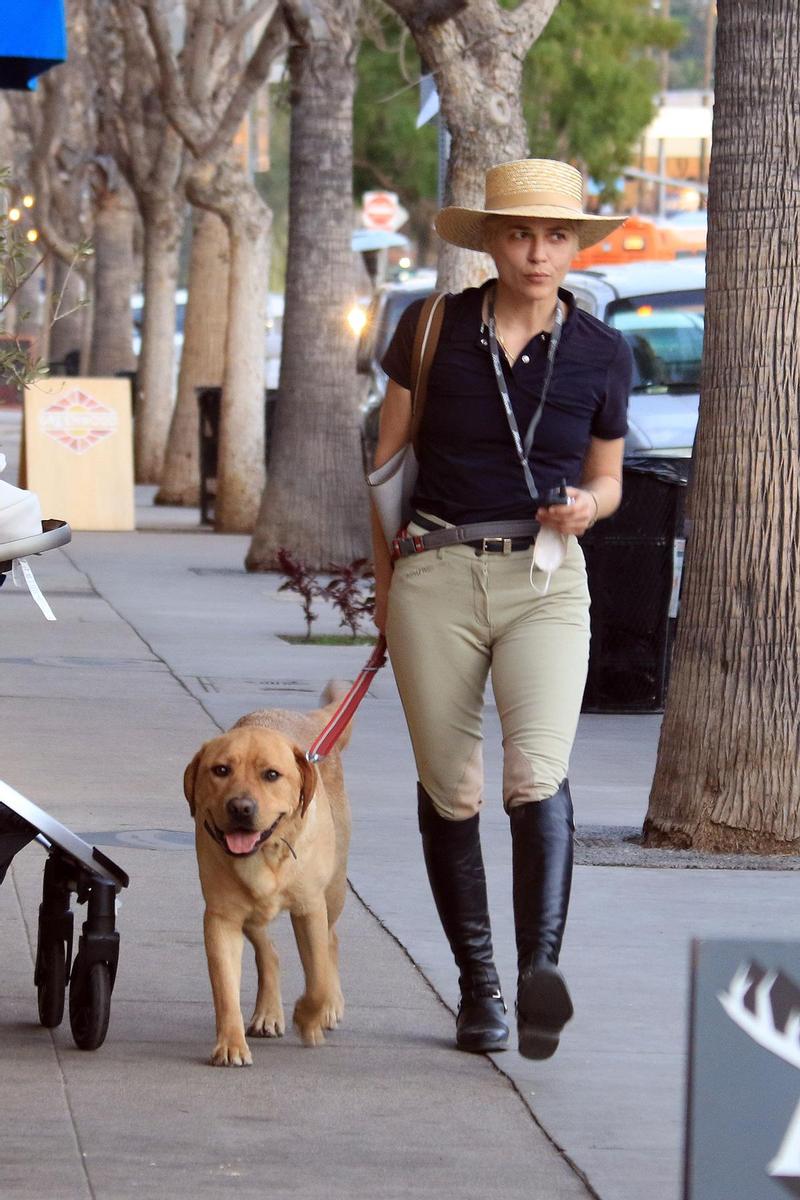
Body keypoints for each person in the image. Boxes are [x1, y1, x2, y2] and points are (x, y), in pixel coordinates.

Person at [369, 159, 633, 1059]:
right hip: (436, 572)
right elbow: (385, 473)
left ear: (573, 246)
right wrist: (383, 595)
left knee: (537, 775)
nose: (538, 251)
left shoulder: (602, 351)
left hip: (548, 579)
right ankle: (478, 987)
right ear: (490, 240)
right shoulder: (432, 326)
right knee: (453, 787)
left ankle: (536, 975)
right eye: (519, 232)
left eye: (556, 234)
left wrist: (589, 508)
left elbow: (610, 476)